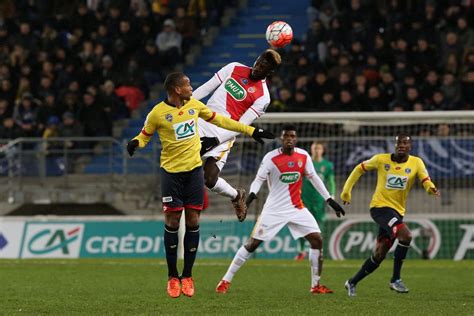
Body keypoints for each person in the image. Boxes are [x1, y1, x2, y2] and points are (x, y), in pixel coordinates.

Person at [126, 72, 274, 299]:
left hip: (194, 172)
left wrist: (251, 130)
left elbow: (221, 120)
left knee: (194, 220)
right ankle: (172, 276)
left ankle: (187, 276)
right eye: (186, 84)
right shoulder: (157, 113)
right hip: (171, 174)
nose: (190, 86)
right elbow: (145, 135)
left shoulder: (194, 106)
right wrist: (136, 142)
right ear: (176, 89)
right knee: (173, 221)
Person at [215, 125, 345, 294]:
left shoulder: (303, 156)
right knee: (252, 244)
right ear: (282, 139)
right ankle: (225, 280)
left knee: (317, 240)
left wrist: (329, 199)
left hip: (296, 207)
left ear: (296, 139)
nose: (289, 139)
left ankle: (315, 285)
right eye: (286, 136)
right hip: (274, 209)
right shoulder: (270, 158)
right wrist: (250, 198)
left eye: (292, 136)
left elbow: (314, 178)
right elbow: (258, 179)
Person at [341, 134, 440, 297]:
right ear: (394, 145)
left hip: (397, 212)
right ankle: (395, 279)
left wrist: (431, 189)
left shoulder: (416, 162)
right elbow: (359, 168)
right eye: (399, 143)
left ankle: (352, 282)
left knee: (379, 254)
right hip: (380, 208)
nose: (401, 145)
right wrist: (346, 191)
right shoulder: (381, 159)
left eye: (405, 143)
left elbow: (425, 180)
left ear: (410, 147)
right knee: (406, 236)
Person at [193, 49, 282, 222]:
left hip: (223, 134)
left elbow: (242, 126)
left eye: (264, 66)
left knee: (209, 179)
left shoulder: (263, 97)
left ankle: (236, 196)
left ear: (269, 72)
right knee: (185, 162)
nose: (258, 67)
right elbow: (206, 88)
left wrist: (216, 140)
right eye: (259, 61)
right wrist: (185, 104)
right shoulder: (234, 67)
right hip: (202, 122)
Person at [295, 141, 336, 260]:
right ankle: (301, 251)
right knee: (301, 225)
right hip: (304, 199)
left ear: (323, 150)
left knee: (318, 227)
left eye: (319, 148)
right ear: (311, 149)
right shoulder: (305, 162)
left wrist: (331, 195)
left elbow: (331, 181)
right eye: (314, 148)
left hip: (319, 201)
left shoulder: (327, 165)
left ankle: (318, 250)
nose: (316, 150)